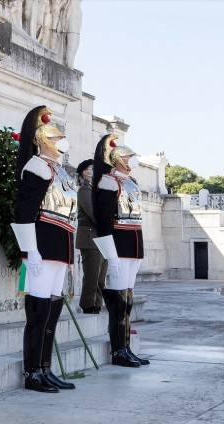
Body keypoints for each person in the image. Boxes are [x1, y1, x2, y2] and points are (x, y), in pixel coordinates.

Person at [11, 106, 77, 393]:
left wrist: (71, 254)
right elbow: (23, 210)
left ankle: (45, 368)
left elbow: (70, 215)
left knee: (52, 309)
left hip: (60, 246)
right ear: (43, 140)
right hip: (42, 245)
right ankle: (32, 372)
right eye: (57, 137)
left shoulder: (60, 170)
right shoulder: (36, 166)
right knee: (37, 311)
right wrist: (30, 250)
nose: (62, 141)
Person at [92, 134, 149, 367]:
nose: (132, 160)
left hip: (133, 245)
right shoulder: (108, 182)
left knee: (127, 300)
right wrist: (110, 254)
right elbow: (103, 221)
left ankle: (125, 347)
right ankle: (117, 351)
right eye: (129, 157)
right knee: (117, 301)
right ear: (118, 159)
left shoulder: (131, 183)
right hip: (119, 245)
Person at [76, 159, 108, 314]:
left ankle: (97, 303)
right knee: (92, 274)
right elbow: (94, 213)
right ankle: (88, 304)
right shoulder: (84, 190)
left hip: (101, 237)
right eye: (89, 169)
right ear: (84, 172)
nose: (92, 171)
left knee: (101, 276)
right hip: (90, 237)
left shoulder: (97, 190)